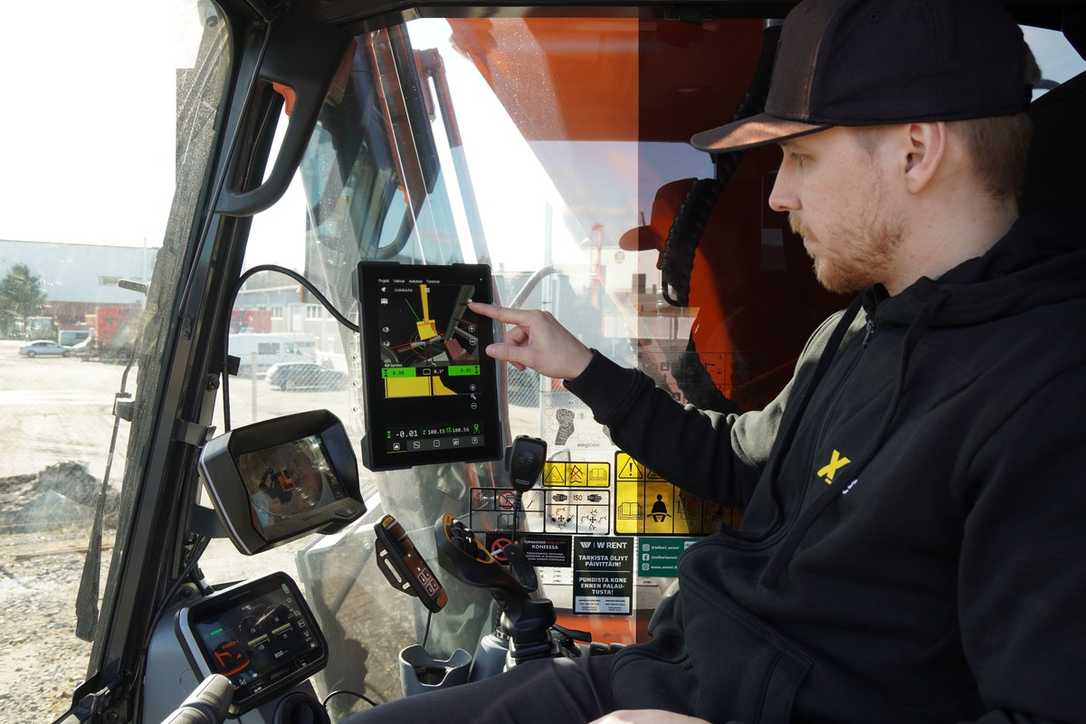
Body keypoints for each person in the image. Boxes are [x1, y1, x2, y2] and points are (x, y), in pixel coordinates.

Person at [347, 0, 1086, 722]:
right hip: (661, 676)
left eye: (800, 157)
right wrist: (580, 366)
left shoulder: (1049, 394)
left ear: (916, 152)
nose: (778, 196)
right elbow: (735, 464)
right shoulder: (857, 332)